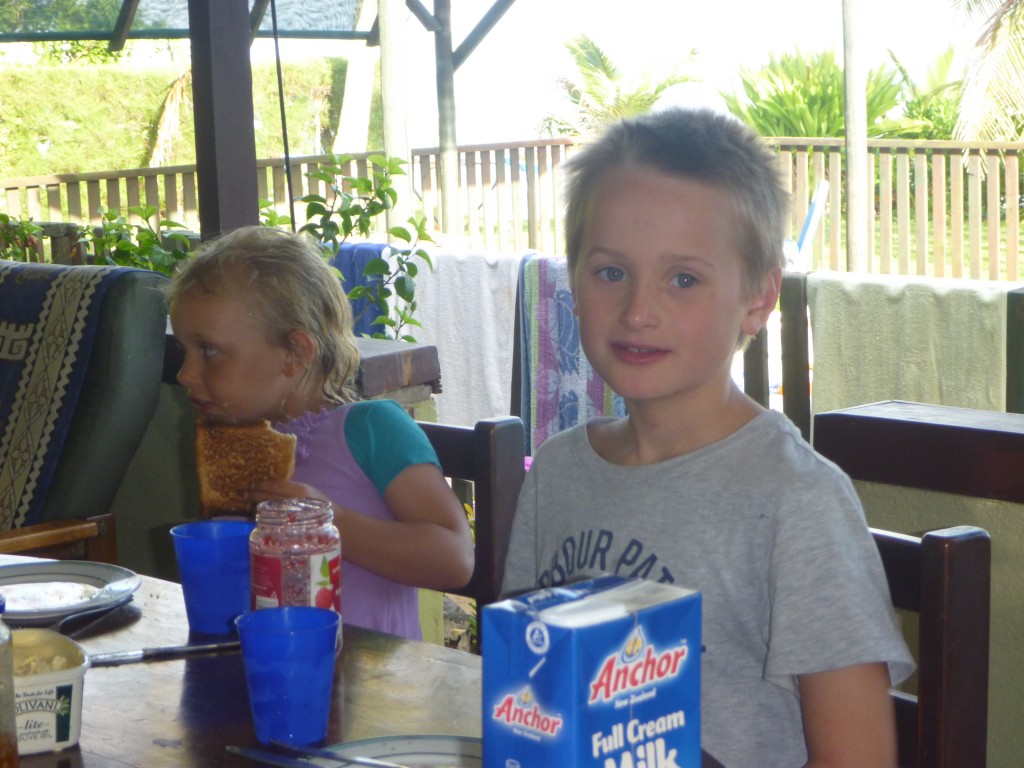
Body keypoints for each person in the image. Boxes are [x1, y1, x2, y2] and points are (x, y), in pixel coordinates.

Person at [500, 108, 914, 767]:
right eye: (610, 271)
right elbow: (527, 695)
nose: (638, 309)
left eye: (683, 279)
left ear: (758, 298)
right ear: (572, 280)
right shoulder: (557, 472)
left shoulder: (796, 501)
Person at [167, 225, 474, 640]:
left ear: (294, 353)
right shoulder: (234, 447)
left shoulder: (372, 429)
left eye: (208, 350)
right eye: (184, 349)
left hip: (377, 689)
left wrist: (331, 522)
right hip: (267, 674)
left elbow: (454, 558)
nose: (186, 373)